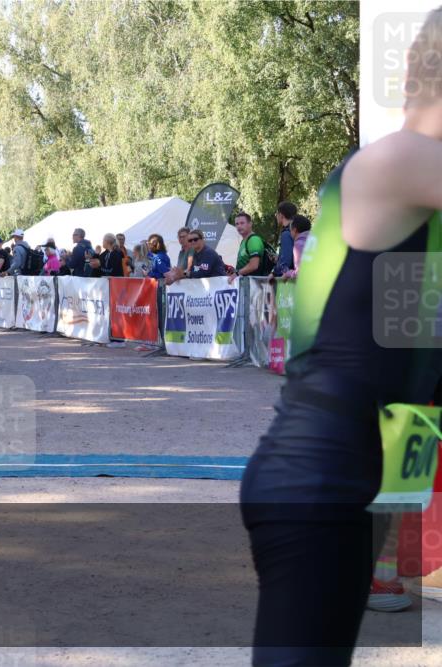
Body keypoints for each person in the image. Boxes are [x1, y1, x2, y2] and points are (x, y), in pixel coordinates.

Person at [241, 10, 442, 665]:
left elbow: (406, 358)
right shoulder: (402, 161)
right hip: (314, 482)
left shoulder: (419, 220)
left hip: (349, 489)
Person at [229, 212, 270, 282]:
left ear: (250, 224)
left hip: (255, 285)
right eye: (237, 224)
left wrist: (237, 273)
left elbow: (254, 265)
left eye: (242, 223)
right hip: (246, 284)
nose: (239, 226)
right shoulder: (244, 241)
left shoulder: (253, 240)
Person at [280, 215, 311, 281]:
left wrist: (288, 273)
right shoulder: (314, 241)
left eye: (290, 229)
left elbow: (301, 273)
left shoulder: (299, 244)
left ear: (294, 230)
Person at [273, 201, 298, 277]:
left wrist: (273, 273)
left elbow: (285, 263)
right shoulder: (297, 230)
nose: (276, 215)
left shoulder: (286, 233)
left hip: (288, 282)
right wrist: (279, 258)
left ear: (281, 215)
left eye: (276, 213)